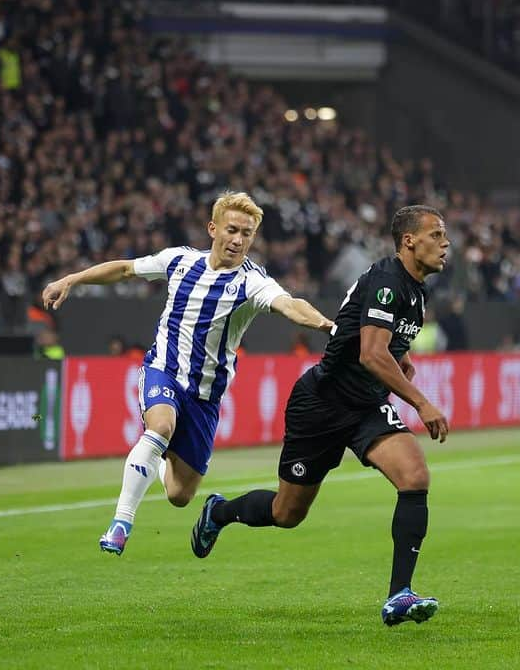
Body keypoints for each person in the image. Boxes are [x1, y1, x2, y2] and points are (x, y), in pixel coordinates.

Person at [190, 205, 452, 627]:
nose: (445, 244)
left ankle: (399, 595)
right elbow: (370, 353)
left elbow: (380, 348)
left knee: (415, 476)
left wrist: (399, 363)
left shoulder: (415, 290)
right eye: (436, 235)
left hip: (364, 406)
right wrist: (421, 402)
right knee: (287, 513)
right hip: (321, 405)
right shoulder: (388, 282)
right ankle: (219, 512)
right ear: (409, 241)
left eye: (445, 237)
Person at [42, 192, 333, 555]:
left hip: (204, 397)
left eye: (247, 234)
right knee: (160, 425)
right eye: (232, 230)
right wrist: (72, 279)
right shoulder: (179, 261)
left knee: (180, 495)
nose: (238, 240)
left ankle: (160, 456)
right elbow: (125, 269)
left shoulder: (252, 282)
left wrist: (326, 325)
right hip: (162, 370)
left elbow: (290, 305)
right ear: (213, 228)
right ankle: (121, 522)